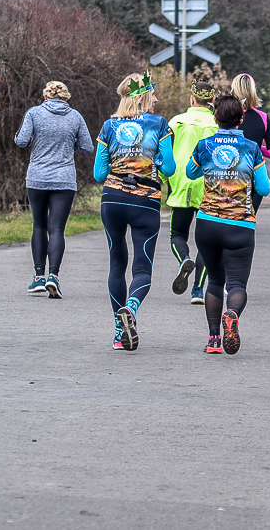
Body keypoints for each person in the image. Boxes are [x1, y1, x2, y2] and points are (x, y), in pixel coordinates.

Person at [95, 71, 175, 351]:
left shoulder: (109, 126)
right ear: (142, 97)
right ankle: (131, 307)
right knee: (142, 267)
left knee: (117, 264)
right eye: (153, 94)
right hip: (146, 201)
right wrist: (157, 159)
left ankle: (119, 333)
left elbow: (98, 173)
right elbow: (169, 169)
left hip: (113, 199)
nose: (157, 99)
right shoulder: (159, 124)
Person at [187, 95, 270, 356]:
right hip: (240, 225)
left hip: (208, 223)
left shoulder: (204, 145)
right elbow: (264, 188)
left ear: (215, 118)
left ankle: (213, 340)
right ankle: (232, 313)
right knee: (236, 284)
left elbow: (190, 172)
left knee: (214, 281)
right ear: (241, 118)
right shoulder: (251, 148)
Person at [15, 80, 94, 299]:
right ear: (66, 98)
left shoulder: (34, 114)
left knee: (39, 226)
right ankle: (53, 276)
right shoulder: (75, 117)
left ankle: (38, 277)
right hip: (64, 179)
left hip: (37, 178)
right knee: (57, 229)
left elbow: (21, 141)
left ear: (45, 97)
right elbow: (87, 147)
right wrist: (71, 143)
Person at [167, 80, 219, 306]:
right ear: (212, 101)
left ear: (192, 99)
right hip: (209, 184)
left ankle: (184, 260)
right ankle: (198, 289)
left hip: (181, 181)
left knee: (177, 233)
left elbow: (165, 154)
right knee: (208, 242)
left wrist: (165, 179)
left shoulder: (176, 121)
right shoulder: (217, 124)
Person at [233, 73, 270, 212]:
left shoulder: (227, 116)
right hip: (254, 175)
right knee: (249, 218)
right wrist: (256, 146)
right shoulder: (262, 117)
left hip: (230, 175)